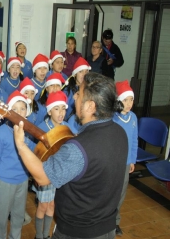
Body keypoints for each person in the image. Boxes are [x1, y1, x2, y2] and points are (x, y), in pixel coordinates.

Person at [12, 72, 128, 239]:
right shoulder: (120, 132)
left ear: (90, 106)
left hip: (77, 232)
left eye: (79, 93)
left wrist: (21, 146)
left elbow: (43, 177)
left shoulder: (79, 148)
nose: (74, 96)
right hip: (106, 228)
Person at [0, 90, 36, 239]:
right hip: (5, 180)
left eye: (22, 108)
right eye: (14, 109)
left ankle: (15, 236)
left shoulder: (29, 132)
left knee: (18, 215)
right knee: (2, 216)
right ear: (9, 112)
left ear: (27, 111)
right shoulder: (3, 132)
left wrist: (28, 174)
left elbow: (31, 155)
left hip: (22, 179)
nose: (19, 112)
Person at [34, 91, 71, 239]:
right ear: (49, 111)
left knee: (52, 206)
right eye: (57, 109)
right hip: (45, 172)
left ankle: (46, 234)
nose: (61, 112)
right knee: (43, 206)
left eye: (63, 108)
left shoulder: (66, 127)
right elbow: (36, 153)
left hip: (60, 172)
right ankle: (38, 235)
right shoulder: (42, 128)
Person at [113, 80, 138, 236]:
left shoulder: (134, 118)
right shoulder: (113, 118)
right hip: (113, 162)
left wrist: (132, 160)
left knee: (121, 193)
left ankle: (115, 221)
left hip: (126, 162)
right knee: (109, 191)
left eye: (131, 100)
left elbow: (135, 140)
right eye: (125, 100)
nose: (129, 103)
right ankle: (104, 219)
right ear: (118, 101)